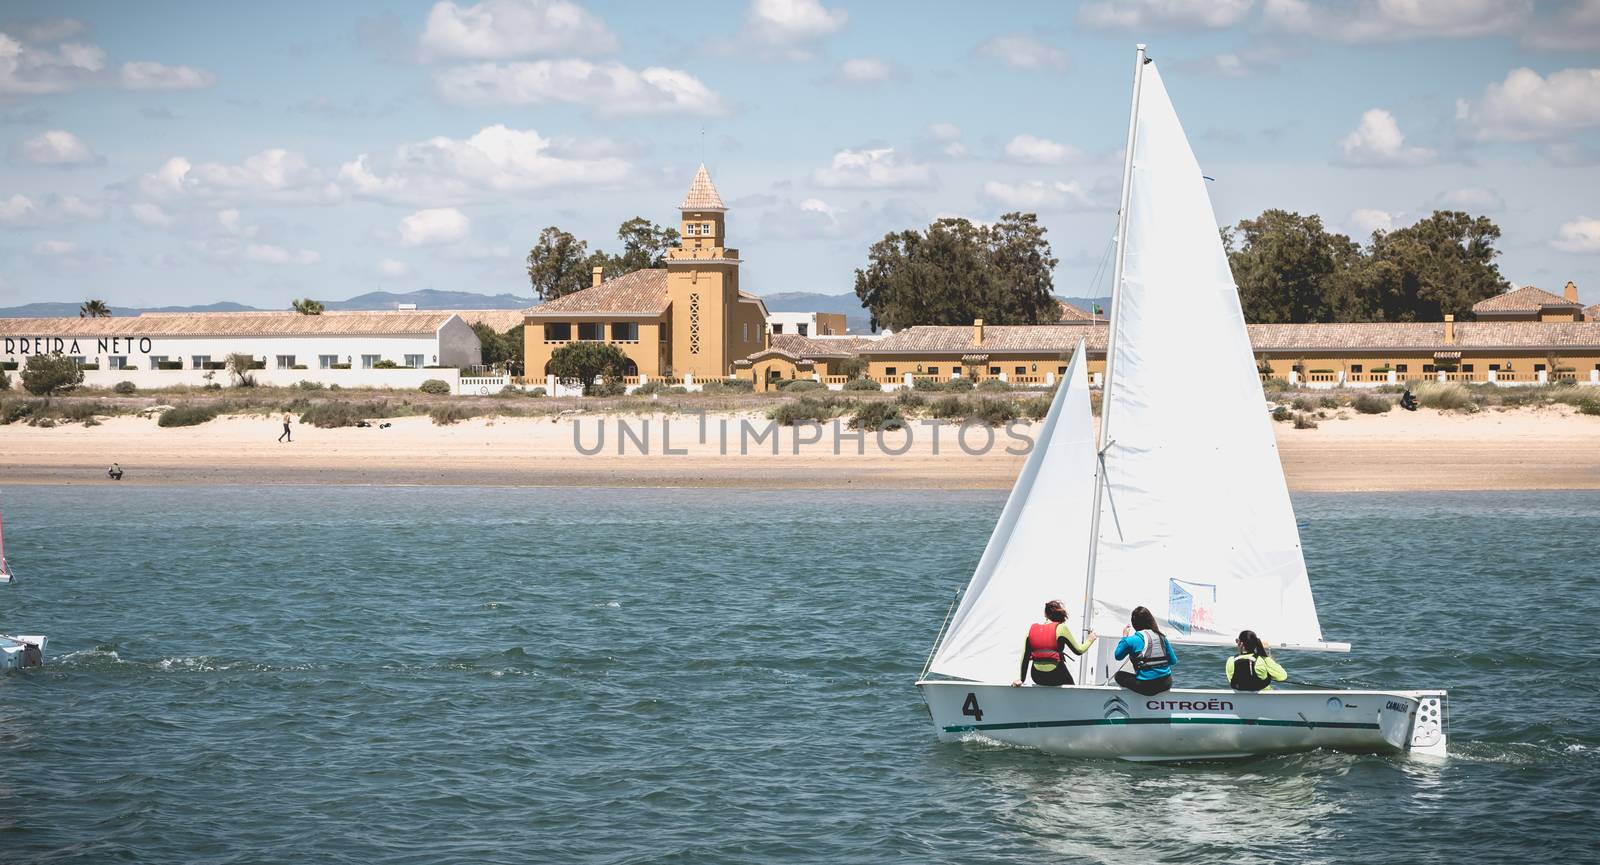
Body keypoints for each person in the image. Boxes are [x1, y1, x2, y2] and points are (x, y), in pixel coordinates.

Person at [1012, 600, 1095, 687]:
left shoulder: (1031, 630)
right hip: (1056, 675)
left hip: (1037, 676)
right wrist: (1090, 639)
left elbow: (1024, 656)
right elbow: (1079, 650)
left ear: (1045, 614)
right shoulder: (1061, 628)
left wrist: (1022, 679)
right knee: (1071, 687)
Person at [1113, 606, 1176, 696]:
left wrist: (1124, 637)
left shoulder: (1130, 640)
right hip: (1166, 683)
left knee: (1119, 676)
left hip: (1146, 687)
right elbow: (1173, 661)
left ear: (1134, 623)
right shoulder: (1161, 637)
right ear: (1150, 620)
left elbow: (1118, 656)